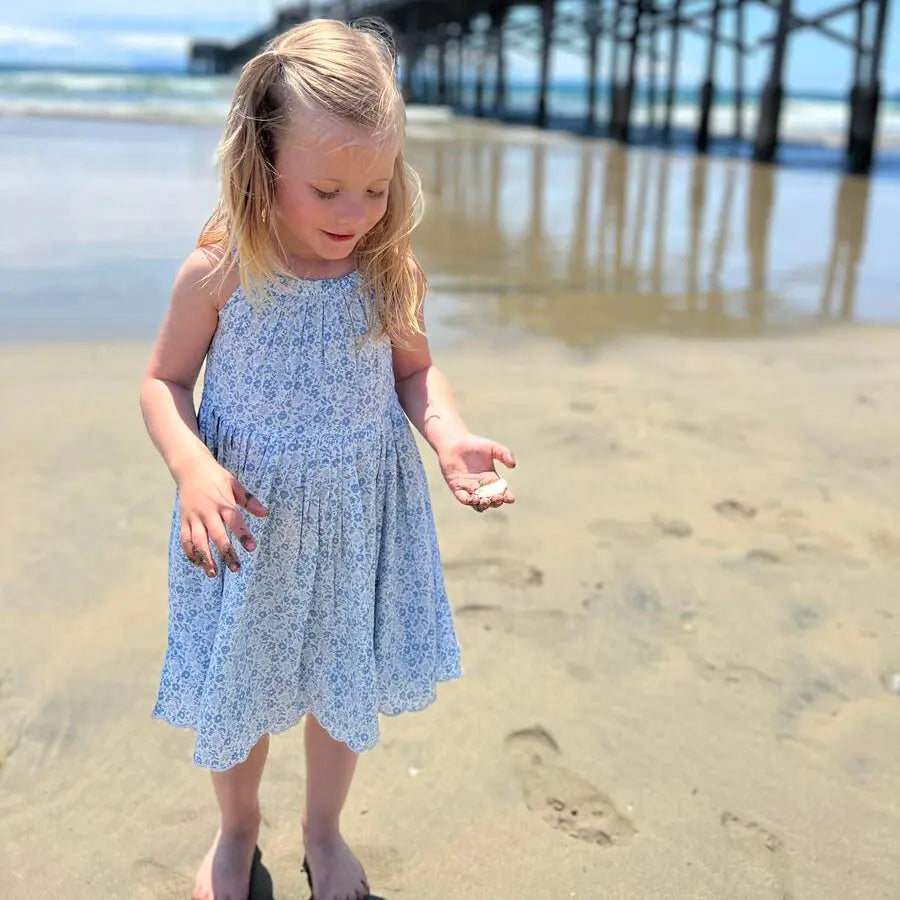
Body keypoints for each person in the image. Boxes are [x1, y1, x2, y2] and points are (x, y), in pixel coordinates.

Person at [138, 17, 516, 900]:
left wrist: (450, 435)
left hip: (356, 515)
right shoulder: (220, 270)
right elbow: (163, 382)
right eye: (329, 189)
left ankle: (324, 831)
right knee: (242, 683)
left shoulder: (391, 271)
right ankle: (236, 834)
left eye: (377, 188)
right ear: (261, 165)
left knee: (340, 680)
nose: (357, 214)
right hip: (246, 522)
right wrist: (193, 469)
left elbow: (416, 372)